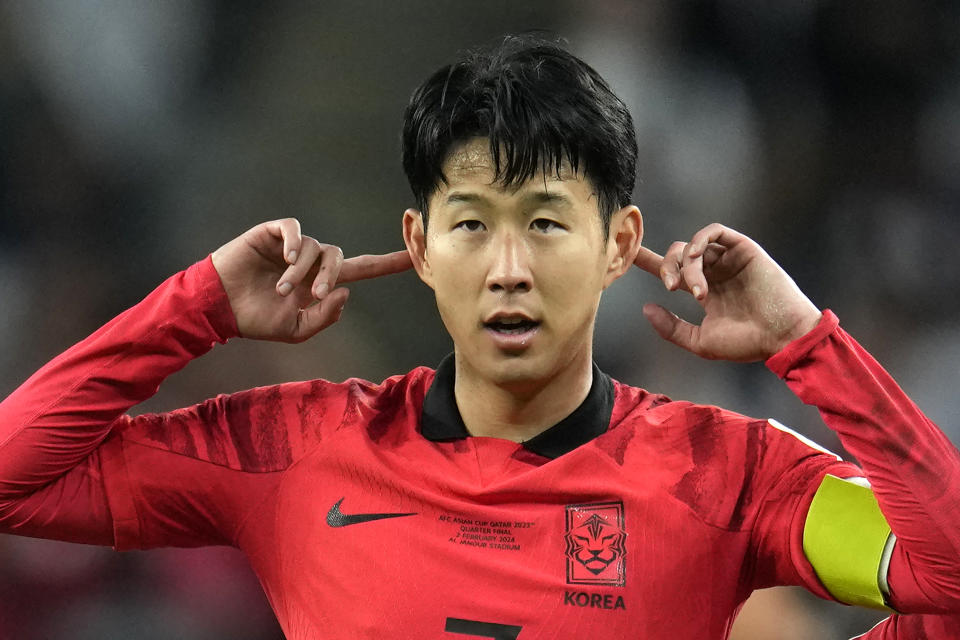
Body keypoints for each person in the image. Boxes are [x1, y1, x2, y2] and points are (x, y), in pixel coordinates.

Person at [1, 34, 958, 639]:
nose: (508, 268)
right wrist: (197, 305)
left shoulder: (728, 476)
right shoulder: (294, 450)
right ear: (418, 247)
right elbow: (14, 478)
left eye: (546, 222)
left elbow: (948, 569)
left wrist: (807, 342)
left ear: (620, 245)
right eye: (470, 224)